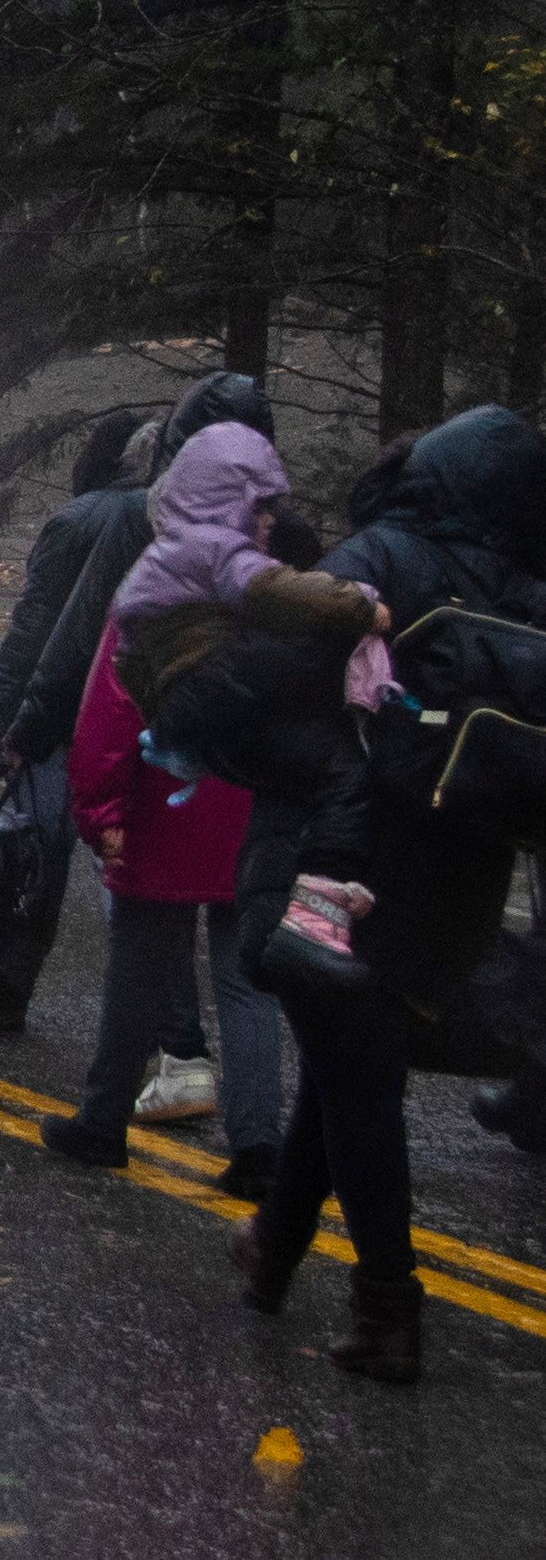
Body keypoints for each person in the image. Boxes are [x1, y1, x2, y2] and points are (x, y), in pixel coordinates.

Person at [231, 406, 546, 1384]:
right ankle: (274, 1245)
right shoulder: (530, 584)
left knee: (360, 1081)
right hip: (465, 870)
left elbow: (271, 679)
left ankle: (386, 1309)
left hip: (353, 854)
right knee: (347, 1055)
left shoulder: (384, 553)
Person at [0, 375, 280, 1029]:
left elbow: (49, 628)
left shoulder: (92, 519)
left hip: (86, 714)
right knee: (150, 880)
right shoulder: (233, 525)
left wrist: (10, 712)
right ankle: (171, 1038)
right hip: (177, 720)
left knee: (48, 853)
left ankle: (23, 982)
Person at [105, 422, 388, 991]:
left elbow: (126, 660)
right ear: (225, 503)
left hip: (196, 710)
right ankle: (318, 908)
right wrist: (358, 606)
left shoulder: (160, 557)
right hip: (224, 683)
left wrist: (169, 727)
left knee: (287, 774)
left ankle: (289, 906)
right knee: (345, 768)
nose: (269, 523)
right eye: (259, 509)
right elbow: (275, 590)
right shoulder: (214, 549)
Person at [36, 612, 284, 1196]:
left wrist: (99, 813)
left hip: (162, 809)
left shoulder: (151, 602)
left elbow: (109, 719)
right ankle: (257, 1146)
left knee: (139, 976)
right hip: (251, 809)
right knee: (246, 981)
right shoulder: (268, 600)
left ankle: (103, 1123)